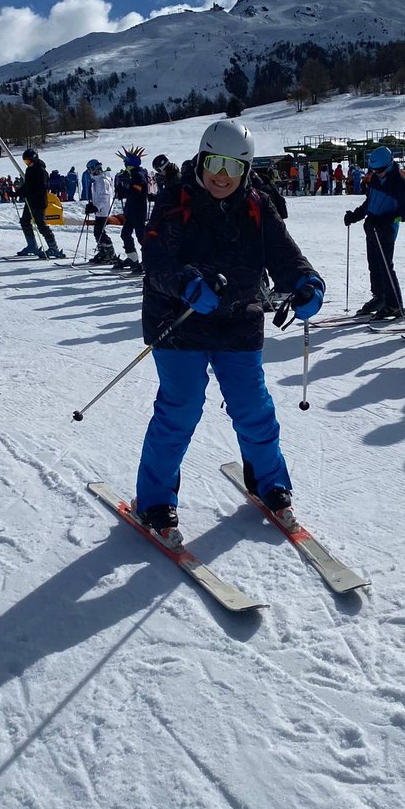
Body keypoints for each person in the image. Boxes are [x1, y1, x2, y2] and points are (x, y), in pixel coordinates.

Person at [134, 117, 324, 544]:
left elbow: (285, 255)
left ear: (246, 169)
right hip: (177, 322)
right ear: (202, 159)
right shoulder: (174, 200)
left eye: (233, 167)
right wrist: (186, 283)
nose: (222, 175)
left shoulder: (258, 204)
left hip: (238, 320)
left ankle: (270, 482)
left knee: (253, 407)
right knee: (179, 410)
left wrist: (306, 282)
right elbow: (156, 261)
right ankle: (154, 500)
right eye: (215, 163)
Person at [343, 145, 405, 318]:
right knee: (373, 264)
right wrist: (355, 216)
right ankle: (380, 297)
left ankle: (394, 304)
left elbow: (401, 215)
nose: (377, 172)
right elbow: (369, 202)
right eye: (374, 170)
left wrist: (383, 221)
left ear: (389, 165)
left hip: (387, 229)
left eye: (380, 170)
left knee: (385, 265)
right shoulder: (375, 179)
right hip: (372, 227)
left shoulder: (399, 183)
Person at [17, 148, 65, 258]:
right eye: (25, 162)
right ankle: (32, 245)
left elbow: (42, 187)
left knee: (41, 225)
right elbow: (27, 185)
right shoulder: (29, 170)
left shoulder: (41, 171)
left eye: (28, 161)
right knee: (24, 221)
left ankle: (53, 248)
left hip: (39, 201)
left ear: (34, 159)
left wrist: (29, 192)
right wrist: (17, 193)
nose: (27, 164)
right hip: (30, 201)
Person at [113, 146, 149, 273]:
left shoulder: (139, 175)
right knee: (125, 234)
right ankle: (132, 259)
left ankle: (147, 262)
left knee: (142, 238)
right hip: (131, 211)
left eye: (126, 163)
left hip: (138, 212)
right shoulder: (134, 174)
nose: (124, 165)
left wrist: (123, 190)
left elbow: (136, 192)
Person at [84, 160, 115, 263]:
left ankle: (109, 253)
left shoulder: (102, 180)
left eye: (90, 170)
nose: (90, 172)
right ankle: (103, 251)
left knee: (99, 231)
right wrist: (92, 205)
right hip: (100, 210)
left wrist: (96, 207)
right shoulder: (97, 180)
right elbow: (98, 197)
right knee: (98, 231)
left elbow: (104, 198)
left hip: (103, 210)